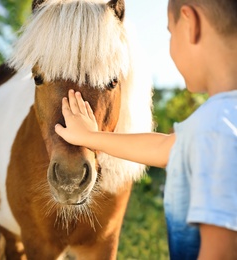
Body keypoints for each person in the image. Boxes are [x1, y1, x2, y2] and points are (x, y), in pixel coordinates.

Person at [54, 0, 237, 259]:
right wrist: (89, 137)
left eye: (170, 33)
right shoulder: (219, 123)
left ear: (190, 24)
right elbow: (165, 147)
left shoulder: (212, 129)